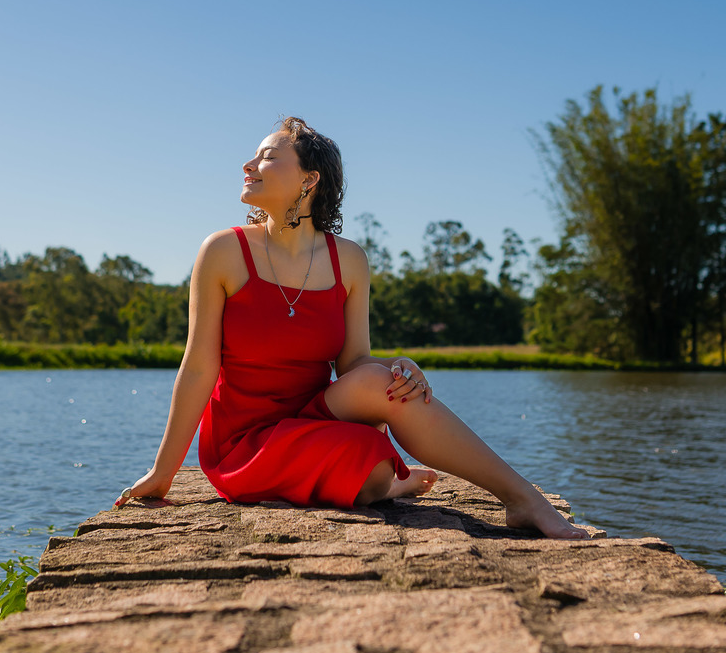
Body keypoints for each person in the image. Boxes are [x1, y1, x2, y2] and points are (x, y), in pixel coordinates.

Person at [115, 117, 589, 540]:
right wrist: (163, 472)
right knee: (373, 470)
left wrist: (399, 366)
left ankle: (521, 499)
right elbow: (199, 368)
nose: (249, 164)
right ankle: (395, 481)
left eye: (268, 156)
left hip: (313, 416)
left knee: (387, 386)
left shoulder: (349, 260)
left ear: (309, 179)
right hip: (245, 443)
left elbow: (354, 364)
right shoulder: (222, 251)